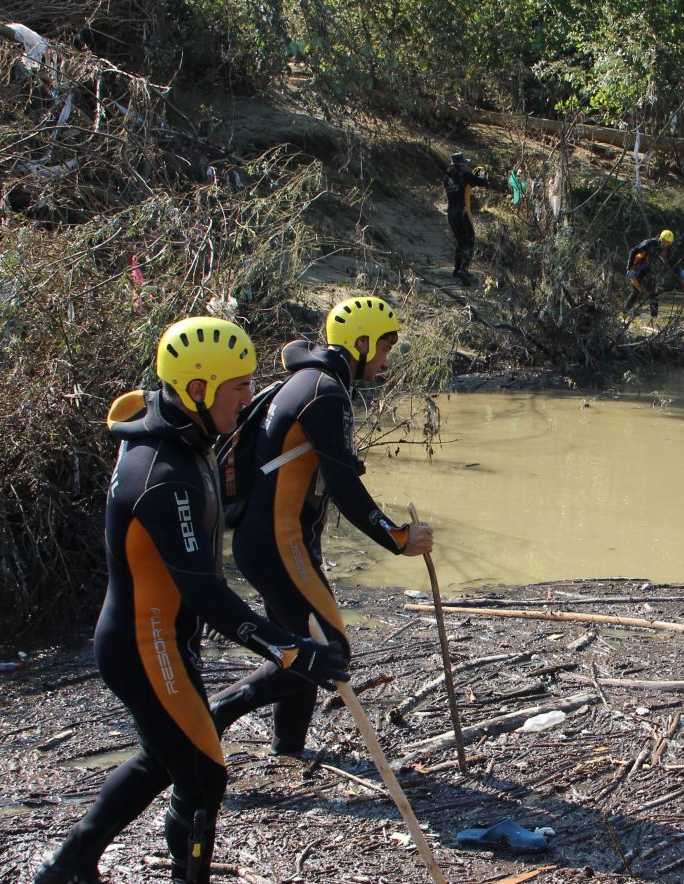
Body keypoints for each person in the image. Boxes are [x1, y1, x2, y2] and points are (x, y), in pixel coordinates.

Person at [32, 316, 349, 884]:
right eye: (237, 387)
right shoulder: (166, 475)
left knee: (164, 756)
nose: (247, 397)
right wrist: (291, 649)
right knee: (203, 771)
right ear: (199, 388)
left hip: (156, 640)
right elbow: (207, 595)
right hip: (144, 644)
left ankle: (69, 864)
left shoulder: (181, 436)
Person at [208, 295, 433, 755]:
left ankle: (287, 750)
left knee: (303, 643)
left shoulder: (311, 381)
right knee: (329, 651)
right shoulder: (325, 392)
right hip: (277, 541)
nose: (386, 358)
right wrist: (398, 538)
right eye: (385, 348)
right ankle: (218, 711)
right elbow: (344, 486)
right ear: (363, 343)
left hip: (273, 540)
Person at [443, 151, 490, 285]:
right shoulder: (465, 175)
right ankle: (464, 269)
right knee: (470, 241)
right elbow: (483, 183)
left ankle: (457, 270)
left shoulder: (446, 178)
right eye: (465, 164)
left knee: (460, 241)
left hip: (451, 213)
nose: (467, 166)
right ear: (461, 165)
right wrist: (482, 173)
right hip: (463, 212)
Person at [624, 228, 677, 319]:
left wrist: (679, 272)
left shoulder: (667, 249)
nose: (665, 244)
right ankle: (625, 314)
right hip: (637, 269)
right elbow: (633, 251)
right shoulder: (649, 243)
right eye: (664, 241)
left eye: (668, 243)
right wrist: (630, 268)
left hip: (648, 270)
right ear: (660, 239)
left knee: (654, 293)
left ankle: (654, 318)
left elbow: (671, 262)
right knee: (636, 291)